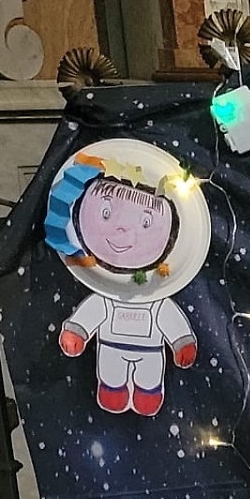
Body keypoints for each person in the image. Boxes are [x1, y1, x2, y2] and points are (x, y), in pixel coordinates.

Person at [47, 163, 199, 416]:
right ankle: (112, 389)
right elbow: (96, 309)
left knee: (149, 378)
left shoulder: (156, 294)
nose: (122, 230)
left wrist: (180, 341)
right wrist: (78, 330)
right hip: (110, 347)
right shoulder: (105, 288)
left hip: (151, 351)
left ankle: (148, 392)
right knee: (111, 374)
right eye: (106, 213)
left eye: (146, 222)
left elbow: (166, 314)